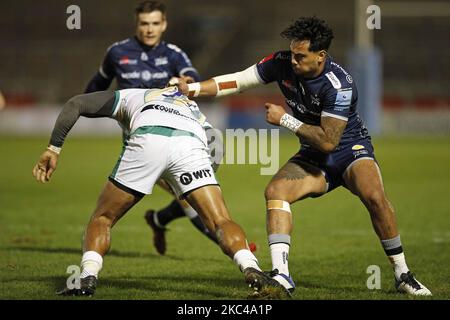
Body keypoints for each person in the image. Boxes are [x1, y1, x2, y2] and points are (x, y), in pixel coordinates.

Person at [174, 16, 432, 296]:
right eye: (293, 53)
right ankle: (282, 276)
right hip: (313, 154)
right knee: (276, 191)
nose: (294, 61)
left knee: (375, 197)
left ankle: (402, 273)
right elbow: (237, 81)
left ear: (320, 56)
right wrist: (194, 89)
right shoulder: (282, 62)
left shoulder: (338, 85)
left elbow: (329, 141)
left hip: (349, 149)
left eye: (301, 56)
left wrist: (285, 120)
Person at [31, 87, 286, 297]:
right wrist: (192, 181)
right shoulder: (192, 107)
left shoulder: (132, 95)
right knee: (221, 220)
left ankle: (87, 277)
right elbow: (215, 144)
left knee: (103, 218)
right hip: (190, 145)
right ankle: (252, 268)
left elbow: (76, 103)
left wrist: (53, 148)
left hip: (148, 140)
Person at [85, 0, 226, 255]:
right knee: (189, 196)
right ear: (137, 24)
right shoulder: (117, 52)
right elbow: (94, 89)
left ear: (164, 25)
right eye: (144, 23)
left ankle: (160, 220)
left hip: (173, 134)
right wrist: (98, 107)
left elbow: (191, 78)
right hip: (139, 141)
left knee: (189, 195)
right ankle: (238, 250)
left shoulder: (173, 53)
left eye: (155, 24)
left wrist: (184, 82)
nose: (149, 29)